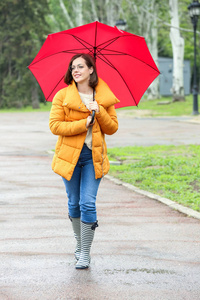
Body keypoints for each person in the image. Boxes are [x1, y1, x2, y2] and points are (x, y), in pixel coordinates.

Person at [49, 53, 119, 269]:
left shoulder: (103, 97)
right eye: (72, 68)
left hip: (92, 157)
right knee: (74, 202)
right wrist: (83, 123)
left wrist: (99, 112)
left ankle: (85, 254)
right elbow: (55, 126)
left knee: (87, 202)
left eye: (80, 66)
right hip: (69, 156)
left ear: (91, 69)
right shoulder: (62, 96)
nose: (75, 71)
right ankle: (79, 246)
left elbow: (112, 128)